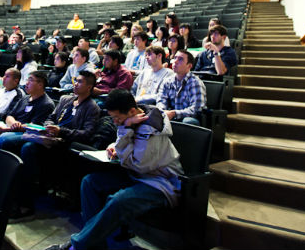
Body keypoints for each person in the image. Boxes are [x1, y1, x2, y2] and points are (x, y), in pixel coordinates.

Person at [45, 89, 182, 250]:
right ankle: (94, 244)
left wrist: (124, 133)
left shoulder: (151, 127)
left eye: (117, 118)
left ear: (131, 111)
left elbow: (139, 164)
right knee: (90, 182)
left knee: (118, 200)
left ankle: (77, 246)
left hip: (160, 183)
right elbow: (127, 151)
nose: (115, 122)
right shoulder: (130, 120)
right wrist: (115, 147)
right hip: (135, 175)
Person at [11, 71, 100, 217]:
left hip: (64, 146)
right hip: (48, 138)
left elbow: (87, 134)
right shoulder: (66, 99)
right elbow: (50, 117)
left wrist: (61, 131)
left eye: (80, 82)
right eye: (75, 81)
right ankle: (13, 195)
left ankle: (25, 204)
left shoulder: (92, 107)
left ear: (89, 87)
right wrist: (49, 127)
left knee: (28, 149)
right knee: (19, 145)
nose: (75, 84)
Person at [0, 72, 55, 147]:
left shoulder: (46, 104)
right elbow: (10, 115)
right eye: (27, 80)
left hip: (26, 132)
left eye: (31, 80)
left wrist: (8, 129)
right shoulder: (25, 98)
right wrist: (13, 124)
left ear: (40, 85)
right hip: (12, 127)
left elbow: (34, 126)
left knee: (3, 139)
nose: (27, 83)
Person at [157, 50, 206, 126]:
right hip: (169, 116)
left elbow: (196, 109)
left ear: (189, 66)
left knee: (188, 121)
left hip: (186, 118)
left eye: (180, 59)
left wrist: (174, 113)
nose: (175, 61)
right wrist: (163, 112)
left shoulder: (195, 83)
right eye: (175, 58)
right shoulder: (167, 81)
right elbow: (161, 100)